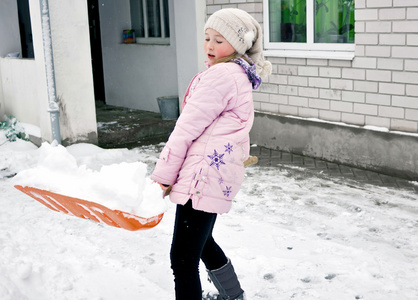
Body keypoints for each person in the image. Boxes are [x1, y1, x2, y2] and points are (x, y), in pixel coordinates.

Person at [151, 8, 271, 300]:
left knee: (182, 259)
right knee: (201, 243)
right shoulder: (239, 73)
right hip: (213, 174)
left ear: (238, 45)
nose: (210, 46)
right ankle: (232, 294)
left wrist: (163, 176)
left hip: (202, 177)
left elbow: (185, 130)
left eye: (219, 40)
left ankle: (232, 295)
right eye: (207, 38)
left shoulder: (221, 76)